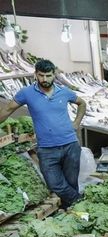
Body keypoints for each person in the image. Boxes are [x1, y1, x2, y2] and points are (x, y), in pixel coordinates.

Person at [0, 59, 86, 209]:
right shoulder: (26, 93)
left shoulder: (64, 92)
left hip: (70, 145)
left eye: (48, 75)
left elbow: (82, 103)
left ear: (54, 75)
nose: (44, 79)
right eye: (41, 75)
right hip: (46, 149)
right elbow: (7, 110)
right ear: (35, 75)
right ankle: (80, 202)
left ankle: (72, 212)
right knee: (55, 184)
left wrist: (76, 123)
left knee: (71, 182)